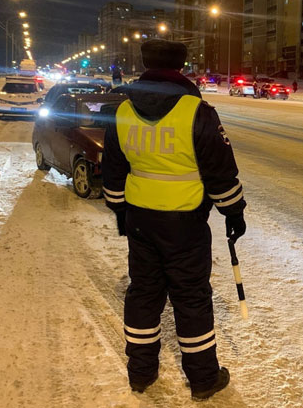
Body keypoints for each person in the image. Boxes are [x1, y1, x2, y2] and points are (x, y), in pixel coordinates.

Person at [102, 39, 246, 400]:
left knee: (144, 293)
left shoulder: (122, 112)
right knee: (191, 297)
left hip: (140, 221)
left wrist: (121, 211)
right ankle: (202, 380)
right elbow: (220, 172)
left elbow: (113, 173)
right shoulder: (196, 112)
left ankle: (140, 373)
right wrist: (233, 212)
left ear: (145, 64)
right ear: (181, 68)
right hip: (185, 224)